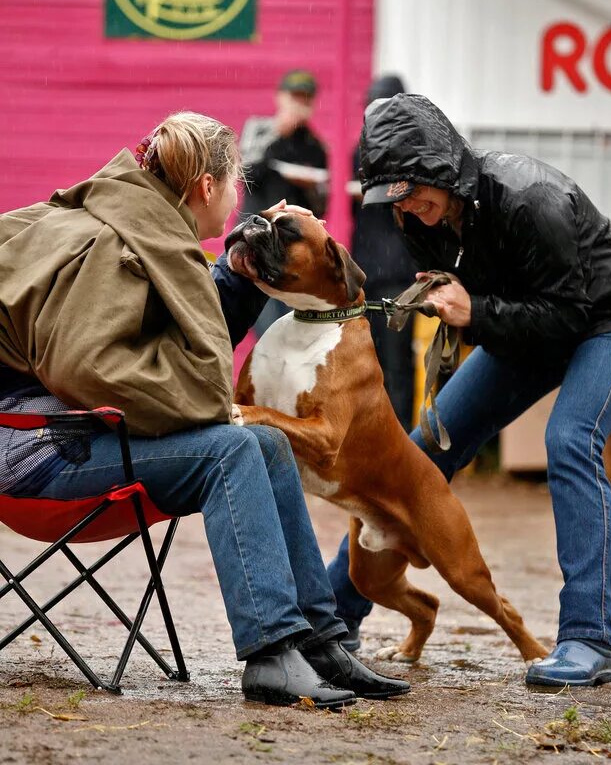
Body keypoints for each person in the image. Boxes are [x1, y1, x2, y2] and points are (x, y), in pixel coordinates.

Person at [0, 111, 409, 708]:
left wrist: (237, 278)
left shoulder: (138, 223)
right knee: (233, 451)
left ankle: (320, 639)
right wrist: (201, 405)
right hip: (37, 454)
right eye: (236, 186)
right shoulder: (115, 240)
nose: (242, 203)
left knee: (263, 444)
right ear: (209, 188)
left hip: (72, 438)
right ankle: (271, 652)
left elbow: (160, 331)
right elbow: (86, 367)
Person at [328, 93, 611, 687]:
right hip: (525, 320)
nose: (407, 209)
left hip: (608, 320)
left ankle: (588, 640)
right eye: (394, 198)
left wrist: (474, 313)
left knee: (570, 441)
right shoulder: (417, 215)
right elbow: (478, 300)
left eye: (412, 191)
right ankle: (330, 614)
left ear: (438, 166)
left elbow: (566, 316)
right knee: (418, 453)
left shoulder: (532, 199)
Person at [349, 75, 417, 432]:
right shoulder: (360, 151)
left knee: (396, 362)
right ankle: (375, 439)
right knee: (368, 363)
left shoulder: (410, 152)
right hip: (367, 272)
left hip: (397, 273)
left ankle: (402, 439)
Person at [240, 69, 328, 335]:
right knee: (264, 326)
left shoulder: (314, 146)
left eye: (305, 99)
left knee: (292, 329)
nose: (299, 104)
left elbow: (321, 204)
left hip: (293, 250)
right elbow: (245, 175)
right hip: (257, 241)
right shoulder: (259, 129)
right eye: (294, 97)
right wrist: (277, 135)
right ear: (280, 98)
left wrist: (309, 187)